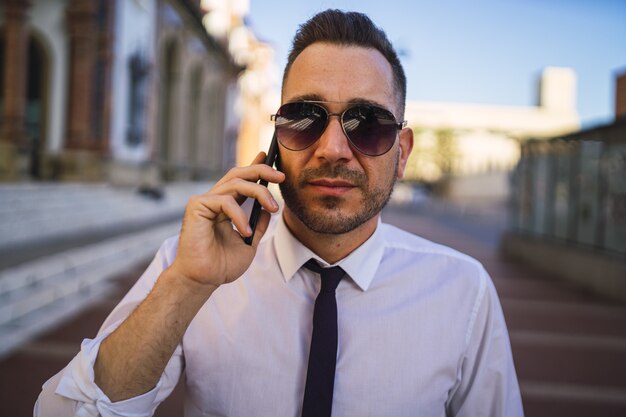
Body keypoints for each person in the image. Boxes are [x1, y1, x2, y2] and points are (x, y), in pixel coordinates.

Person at [35, 9, 523, 417]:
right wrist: (186, 286)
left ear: (402, 151)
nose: (333, 149)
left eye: (367, 123)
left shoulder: (463, 292)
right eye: (305, 119)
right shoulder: (189, 269)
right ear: (274, 142)